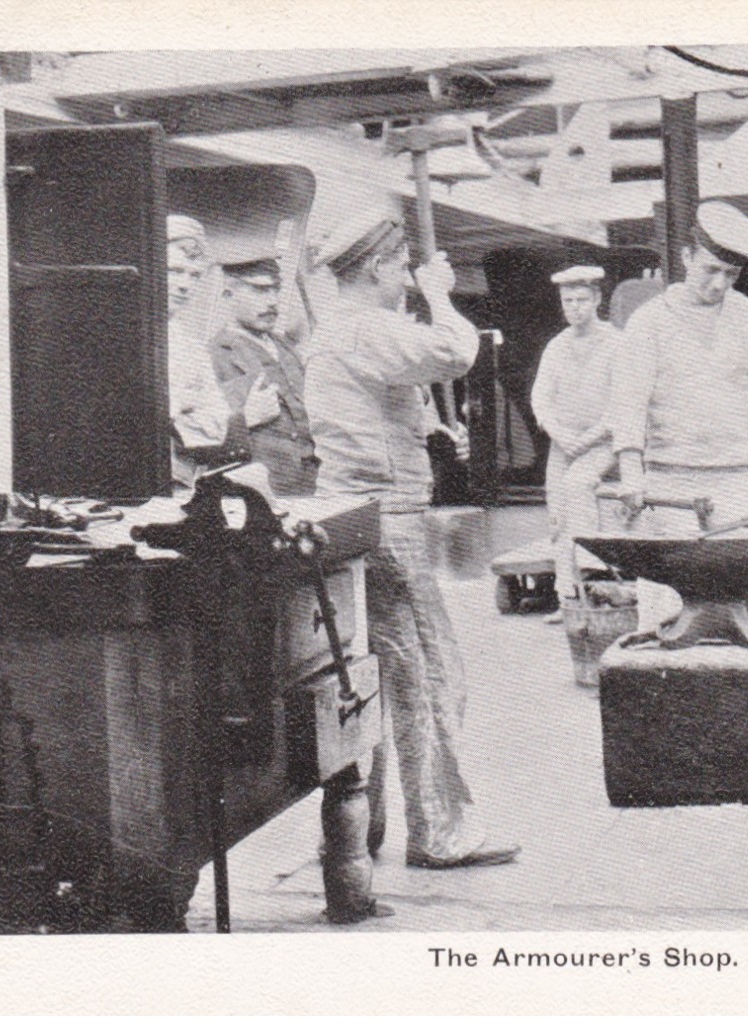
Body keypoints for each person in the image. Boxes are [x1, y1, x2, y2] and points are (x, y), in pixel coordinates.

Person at [299, 202, 521, 888]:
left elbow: (379, 397)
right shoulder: (369, 326)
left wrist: (419, 429)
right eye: (399, 267)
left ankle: (364, 833)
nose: (405, 277)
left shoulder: (333, 330)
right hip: (392, 520)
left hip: (353, 512)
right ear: (373, 269)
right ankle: (441, 830)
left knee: (378, 678)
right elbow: (456, 352)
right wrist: (440, 295)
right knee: (429, 675)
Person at [606, 201, 748, 632]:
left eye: (732, 274)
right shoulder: (649, 323)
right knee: (666, 621)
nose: (720, 283)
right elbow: (628, 402)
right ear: (686, 258)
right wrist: (631, 471)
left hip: (735, 486)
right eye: (710, 270)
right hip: (668, 489)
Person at [530, 265, 625, 611]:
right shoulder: (557, 347)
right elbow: (541, 399)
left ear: (597, 298)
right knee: (558, 515)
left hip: (603, 443)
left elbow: (623, 404)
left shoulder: (616, 342)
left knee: (579, 484)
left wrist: (588, 439)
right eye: (568, 300)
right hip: (564, 443)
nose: (575, 307)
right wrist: (559, 433)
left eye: (582, 299)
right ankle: (568, 600)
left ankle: (592, 572)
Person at [209, 254, 318, 497]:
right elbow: (201, 442)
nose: (273, 301)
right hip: (263, 495)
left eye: (275, 290)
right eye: (260, 290)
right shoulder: (213, 356)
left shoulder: (286, 347)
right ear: (229, 294)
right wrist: (246, 418)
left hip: (315, 486)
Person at [166, 215, 245, 488]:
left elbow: (216, 426)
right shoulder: (119, 336)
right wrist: (181, 405)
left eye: (194, 275)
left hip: (181, 481)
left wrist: (173, 411)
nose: (185, 284)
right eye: (174, 271)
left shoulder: (191, 347)